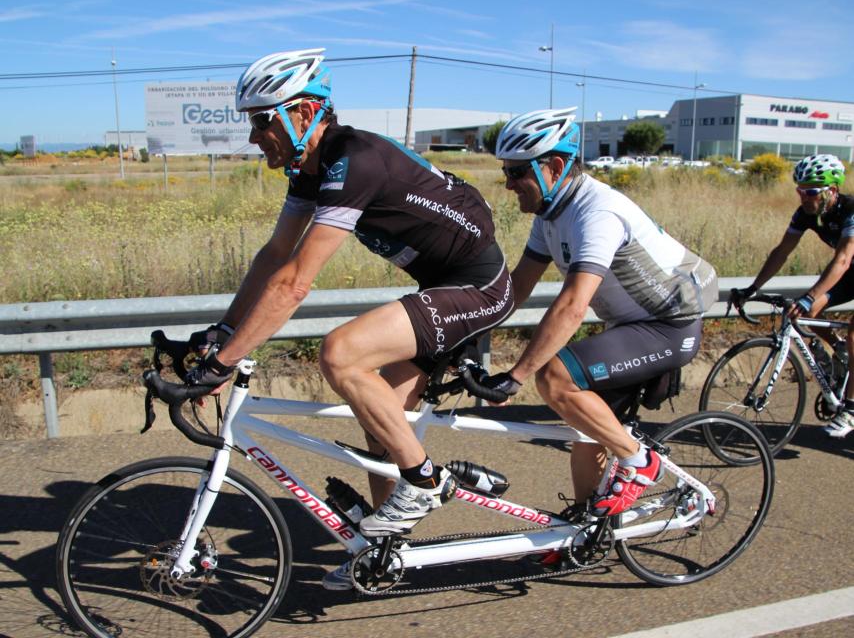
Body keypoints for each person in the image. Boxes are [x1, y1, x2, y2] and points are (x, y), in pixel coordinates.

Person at [186, 49, 515, 588]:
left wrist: (225, 362)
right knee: (381, 416)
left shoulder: (354, 158)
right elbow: (275, 258)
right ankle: (386, 552)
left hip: (477, 287)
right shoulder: (309, 171)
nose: (253, 137)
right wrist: (225, 333)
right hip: (440, 286)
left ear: (304, 112)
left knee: (341, 353)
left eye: (263, 121)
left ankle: (426, 482)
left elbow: (295, 282)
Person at [483, 107, 718, 518]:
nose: (508, 184)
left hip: (667, 327)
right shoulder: (550, 213)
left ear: (554, 166)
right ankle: (585, 522)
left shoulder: (597, 213)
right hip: (630, 325)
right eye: (506, 172)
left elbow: (573, 307)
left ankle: (639, 460)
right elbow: (518, 287)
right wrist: (463, 333)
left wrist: (515, 376)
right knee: (586, 428)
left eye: (517, 172)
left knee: (554, 377)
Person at [733, 154, 853, 438]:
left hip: (848, 265)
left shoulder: (851, 210)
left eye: (810, 191)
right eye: (800, 189)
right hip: (850, 275)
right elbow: (782, 252)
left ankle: (850, 408)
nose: (803, 196)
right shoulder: (806, 214)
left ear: (831, 191)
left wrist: (810, 295)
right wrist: (753, 288)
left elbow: (844, 259)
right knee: (806, 316)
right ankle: (841, 357)